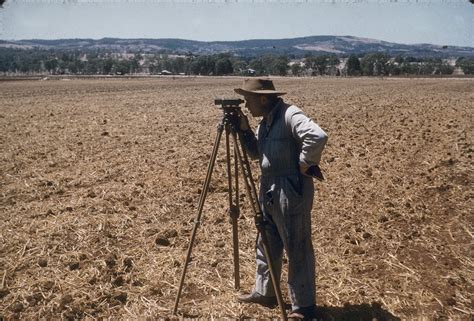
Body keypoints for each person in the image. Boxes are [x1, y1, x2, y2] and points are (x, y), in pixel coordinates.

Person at [234, 78, 328, 320]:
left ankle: (304, 308)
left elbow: (317, 136)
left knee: (296, 245)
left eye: (249, 99)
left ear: (264, 98)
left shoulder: (289, 114)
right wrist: (244, 131)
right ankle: (266, 292)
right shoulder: (264, 123)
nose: (246, 105)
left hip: (290, 188)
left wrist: (305, 164)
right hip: (268, 187)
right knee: (266, 241)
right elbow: (257, 154)